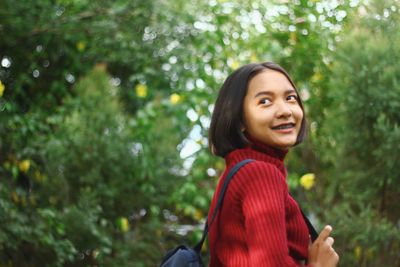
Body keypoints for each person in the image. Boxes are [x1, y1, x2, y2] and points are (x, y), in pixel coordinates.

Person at [207, 62, 339, 266]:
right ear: (239, 120)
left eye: (290, 98)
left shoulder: (238, 171)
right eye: (265, 101)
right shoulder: (260, 174)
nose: (285, 110)